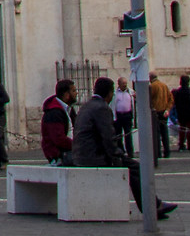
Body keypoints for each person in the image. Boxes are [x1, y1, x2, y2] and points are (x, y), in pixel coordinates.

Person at [74, 77, 175, 220]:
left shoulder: (87, 105)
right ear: (109, 93)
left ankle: (153, 204)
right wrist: (118, 156)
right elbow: (108, 138)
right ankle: (151, 207)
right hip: (93, 156)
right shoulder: (102, 108)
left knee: (129, 164)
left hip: (83, 154)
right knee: (135, 168)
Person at [41, 79, 76, 164]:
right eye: (74, 91)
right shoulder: (54, 112)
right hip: (60, 154)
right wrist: (78, 145)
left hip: (70, 150)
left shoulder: (69, 109)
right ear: (67, 95)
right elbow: (59, 139)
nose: (76, 93)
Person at [148, 73, 174, 160]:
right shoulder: (164, 86)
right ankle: (167, 152)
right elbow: (171, 99)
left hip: (156, 112)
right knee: (164, 133)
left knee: (156, 134)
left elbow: (149, 99)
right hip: (164, 112)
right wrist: (167, 109)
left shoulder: (153, 86)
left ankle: (158, 152)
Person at [173, 74, 190, 153]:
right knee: (189, 129)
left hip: (181, 112)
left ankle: (181, 145)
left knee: (182, 129)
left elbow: (176, 102)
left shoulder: (178, 91)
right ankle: (189, 145)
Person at [111, 80, 135, 160]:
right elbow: (113, 105)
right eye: (123, 83)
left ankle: (130, 152)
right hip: (119, 115)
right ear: (119, 84)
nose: (125, 85)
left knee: (128, 134)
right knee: (118, 134)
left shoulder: (130, 92)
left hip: (127, 115)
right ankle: (121, 151)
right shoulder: (115, 93)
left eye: (125, 83)